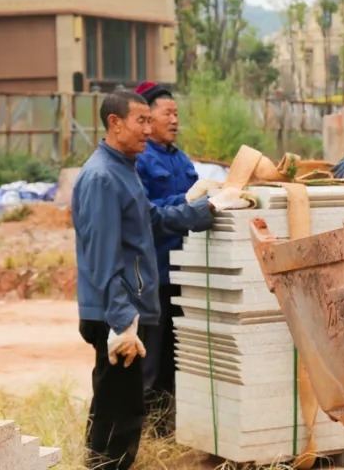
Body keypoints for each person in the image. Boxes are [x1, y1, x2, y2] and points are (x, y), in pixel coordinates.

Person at [71, 91, 242, 469]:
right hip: (119, 311)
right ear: (115, 124)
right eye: (141, 121)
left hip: (131, 306)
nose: (149, 129)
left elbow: (153, 219)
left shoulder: (124, 168)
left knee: (116, 404)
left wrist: (208, 209)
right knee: (122, 410)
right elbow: (103, 255)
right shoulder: (102, 176)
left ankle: (101, 464)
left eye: (151, 120)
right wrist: (121, 320)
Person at [132, 81, 198, 435]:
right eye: (167, 113)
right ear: (147, 118)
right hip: (153, 274)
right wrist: (189, 205)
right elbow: (146, 213)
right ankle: (146, 431)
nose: (174, 120)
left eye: (177, 114)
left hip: (184, 275)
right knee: (151, 358)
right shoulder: (141, 159)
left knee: (177, 356)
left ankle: (167, 428)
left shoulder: (180, 158)